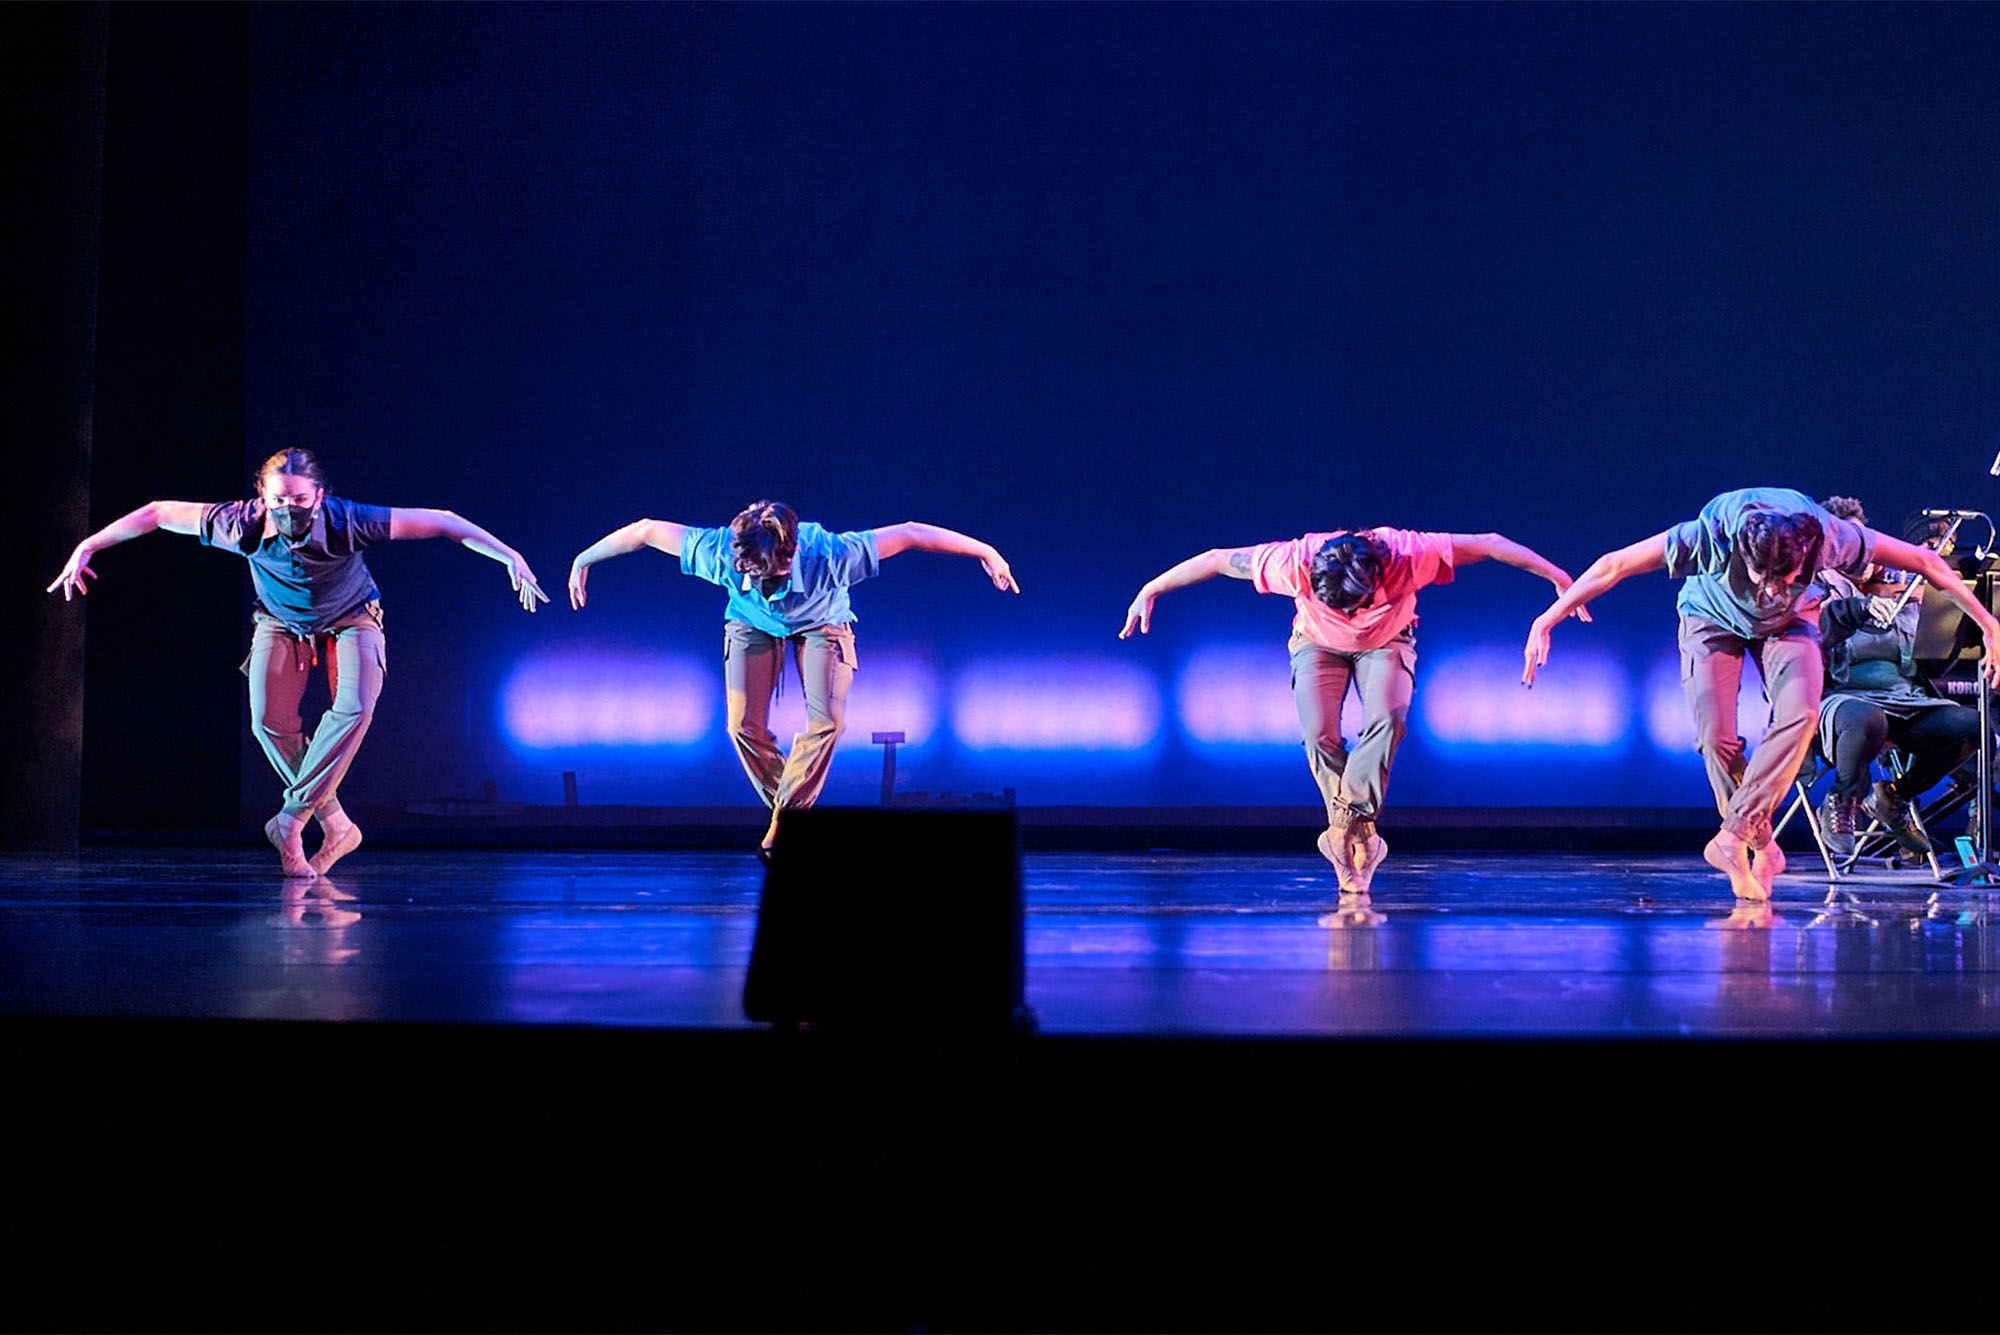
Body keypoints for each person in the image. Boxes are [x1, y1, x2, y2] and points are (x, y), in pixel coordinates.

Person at [47, 448, 549, 877]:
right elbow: (156, 513)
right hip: (280, 624)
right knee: (268, 721)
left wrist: (509, 556)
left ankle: (289, 819)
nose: (289, 509)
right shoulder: (237, 522)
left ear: (320, 495)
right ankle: (335, 824)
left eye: (300, 500)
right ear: (261, 495)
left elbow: (443, 521)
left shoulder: (349, 520)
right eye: (279, 500)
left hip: (353, 619)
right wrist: (87, 545)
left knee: (355, 706)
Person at [1523, 486, 2000, 900]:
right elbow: (1614, 565)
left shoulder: (1828, 535)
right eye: (1764, 579)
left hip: (1793, 626)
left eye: (1786, 578)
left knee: (1801, 713)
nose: (1773, 591)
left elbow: (1924, 561)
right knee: (1716, 738)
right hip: (1710, 620)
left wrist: (1989, 623)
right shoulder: (1710, 535)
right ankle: (1759, 843)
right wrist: (1549, 618)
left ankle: (1734, 837)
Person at [1120, 527, 1584, 900]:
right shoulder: (1293, 563)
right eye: (1336, 605)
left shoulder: (1408, 554)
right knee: (1318, 734)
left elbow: (1490, 545)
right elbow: (1218, 559)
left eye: (1355, 604)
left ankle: (1343, 832)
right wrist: (1151, 588)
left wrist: (1558, 578)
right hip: (1316, 645)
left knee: (1389, 717)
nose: (1348, 613)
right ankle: (1361, 841)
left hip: (1387, 641)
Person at [567, 501, 1018, 856]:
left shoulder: (831, 553)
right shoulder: (720, 551)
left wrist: (987, 551)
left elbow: (912, 532)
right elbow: (645, 530)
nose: (767, 584)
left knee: (828, 723)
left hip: (822, 622)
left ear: (793, 552)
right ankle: (794, 814)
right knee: (740, 726)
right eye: (755, 575)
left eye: (774, 575)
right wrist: (583, 559)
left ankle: (785, 820)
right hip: (750, 624)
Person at [1811, 497, 1979, 857]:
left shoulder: (1898, 591)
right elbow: (1814, 638)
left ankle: (1894, 797)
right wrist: (1855, 609)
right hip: (1841, 699)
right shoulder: (1814, 590)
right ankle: (1841, 799)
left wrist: (1947, 630)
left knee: (1973, 727)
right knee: (1867, 719)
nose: (1864, 557)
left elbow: (1928, 669)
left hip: (1904, 698)